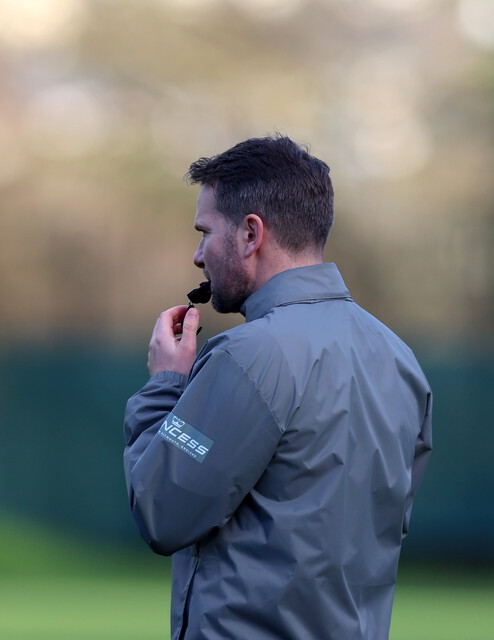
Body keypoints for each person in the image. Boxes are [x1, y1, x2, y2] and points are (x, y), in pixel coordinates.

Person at [123, 135, 433, 640]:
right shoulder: (400, 360)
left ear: (251, 233)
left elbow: (163, 513)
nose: (198, 256)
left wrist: (164, 384)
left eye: (205, 232)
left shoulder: (247, 356)